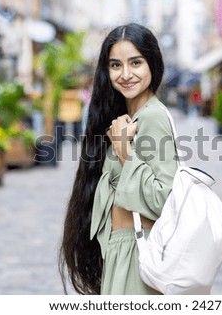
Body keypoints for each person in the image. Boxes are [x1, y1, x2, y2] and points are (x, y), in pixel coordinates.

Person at [59, 23, 178, 295]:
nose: (126, 74)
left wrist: (124, 150)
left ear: (152, 64)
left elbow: (164, 198)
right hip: (121, 251)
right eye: (115, 65)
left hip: (137, 254)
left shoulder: (152, 117)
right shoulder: (128, 117)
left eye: (135, 62)